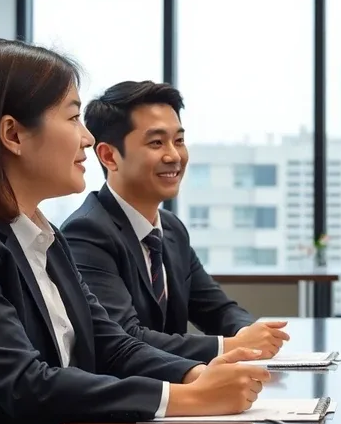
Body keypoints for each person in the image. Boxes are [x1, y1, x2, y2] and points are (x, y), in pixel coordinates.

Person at [0, 40, 271, 424]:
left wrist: (196, 375)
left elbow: (112, 344)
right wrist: (187, 398)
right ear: (13, 134)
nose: (86, 138)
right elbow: (24, 384)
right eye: (73, 117)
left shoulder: (42, 234)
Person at [61, 81, 289, 363]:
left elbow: (216, 308)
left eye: (179, 141)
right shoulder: (87, 232)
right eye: (156, 142)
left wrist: (250, 331)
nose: (174, 156)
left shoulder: (170, 229)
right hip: (130, 401)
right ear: (109, 156)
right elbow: (125, 338)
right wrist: (229, 347)